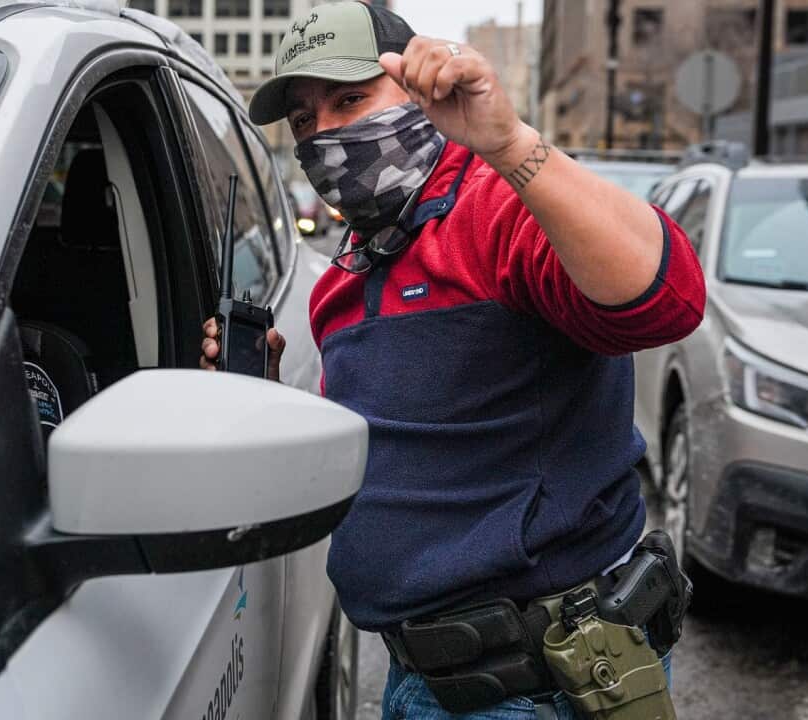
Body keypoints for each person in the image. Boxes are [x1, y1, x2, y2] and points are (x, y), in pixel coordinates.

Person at [201, 3, 704, 719]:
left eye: (350, 100)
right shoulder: (345, 277)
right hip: (420, 680)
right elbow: (394, 452)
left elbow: (667, 302)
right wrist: (269, 400)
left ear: (418, 91)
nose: (327, 136)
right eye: (306, 120)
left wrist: (508, 142)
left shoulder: (497, 207)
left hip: (542, 684)